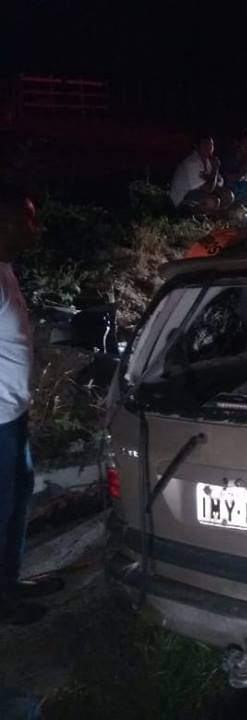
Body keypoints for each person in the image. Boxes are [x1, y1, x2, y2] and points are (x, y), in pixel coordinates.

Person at [0, 184, 63, 625]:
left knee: (17, 499)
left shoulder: (4, 269)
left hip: (12, 414)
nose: (36, 228)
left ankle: (9, 582)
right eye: (28, 219)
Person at [169, 136, 235, 216]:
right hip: (182, 197)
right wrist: (215, 170)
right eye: (205, 145)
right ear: (197, 146)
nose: (209, 148)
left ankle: (211, 216)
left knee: (229, 195)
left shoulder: (208, 161)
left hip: (196, 192)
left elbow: (220, 181)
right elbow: (209, 188)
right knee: (213, 201)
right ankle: (186, 215)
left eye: (211, 145)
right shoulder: (192, 162)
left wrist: (209, 177)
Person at [220, 130, 247, 206]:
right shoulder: (230, 156)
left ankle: (239, 205)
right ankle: (232, 205)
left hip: (237, 186)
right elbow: (230, 178)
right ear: (238, 143)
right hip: (225, 186)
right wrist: (245, 166)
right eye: (245, 143)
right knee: (232, 188)